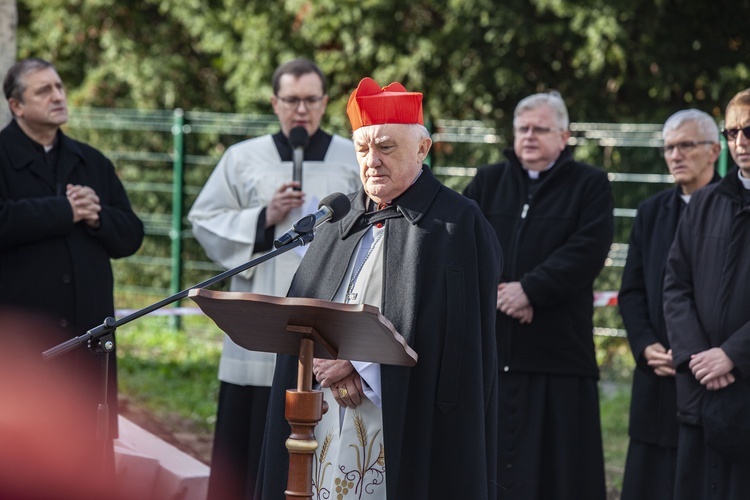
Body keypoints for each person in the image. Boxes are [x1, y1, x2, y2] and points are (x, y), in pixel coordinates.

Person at [257, 77, 502, 499]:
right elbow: (307, 311)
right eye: (362, 149)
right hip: (320, 415)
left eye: (386, 147)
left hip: (397, 417)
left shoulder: (455, 224)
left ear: (423, 149)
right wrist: (323, 361)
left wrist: (362, 363)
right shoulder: (339, 219)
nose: (372, 161)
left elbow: (457, 339)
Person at [187, 58, 361, 499]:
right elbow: (205, 220)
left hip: (327, 314)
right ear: (274, 102)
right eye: (291, 100)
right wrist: (265, 217)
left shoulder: (354, 156)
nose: (300, 110)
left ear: (325, 103)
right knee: (248, 449)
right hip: (259, 311)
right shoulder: (243, 157)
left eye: (310, 100)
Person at [0, 58, 144, 495]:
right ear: (16, 105)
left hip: (87, 344)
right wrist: (65, 211)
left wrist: (97, 215)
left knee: (87, 460)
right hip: (22, 345)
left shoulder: (90, 161)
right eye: (43, 90)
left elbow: (131, 236)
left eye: (59, 86)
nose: (58, 96)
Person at [463, 91, 613, 500]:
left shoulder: (591, 184)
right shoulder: (488, 181)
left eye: (540, 129)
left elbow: (587, 249)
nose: (529, 136)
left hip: (557, 352)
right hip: (496, 350)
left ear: (563, 136)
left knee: (559, 475)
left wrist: (531, 289)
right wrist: (502, 293)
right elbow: (462, 243)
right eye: (522, 129)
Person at [618, 109, 721, 500]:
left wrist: (698, 351)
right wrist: (646, 346)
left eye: (686, 145)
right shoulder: (650, 212)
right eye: (668, 148)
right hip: (657, 376)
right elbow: (631, 292)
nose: (675, 155)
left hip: (712, 375)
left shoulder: (735, 209)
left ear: (713, 150)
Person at [663, 89, 750, 499]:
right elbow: (675, 286)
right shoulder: (703, 204)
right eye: (732, 131)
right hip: (703, 384)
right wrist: (700, 357)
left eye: (749, 131)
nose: (740, 142)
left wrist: (733, 353)